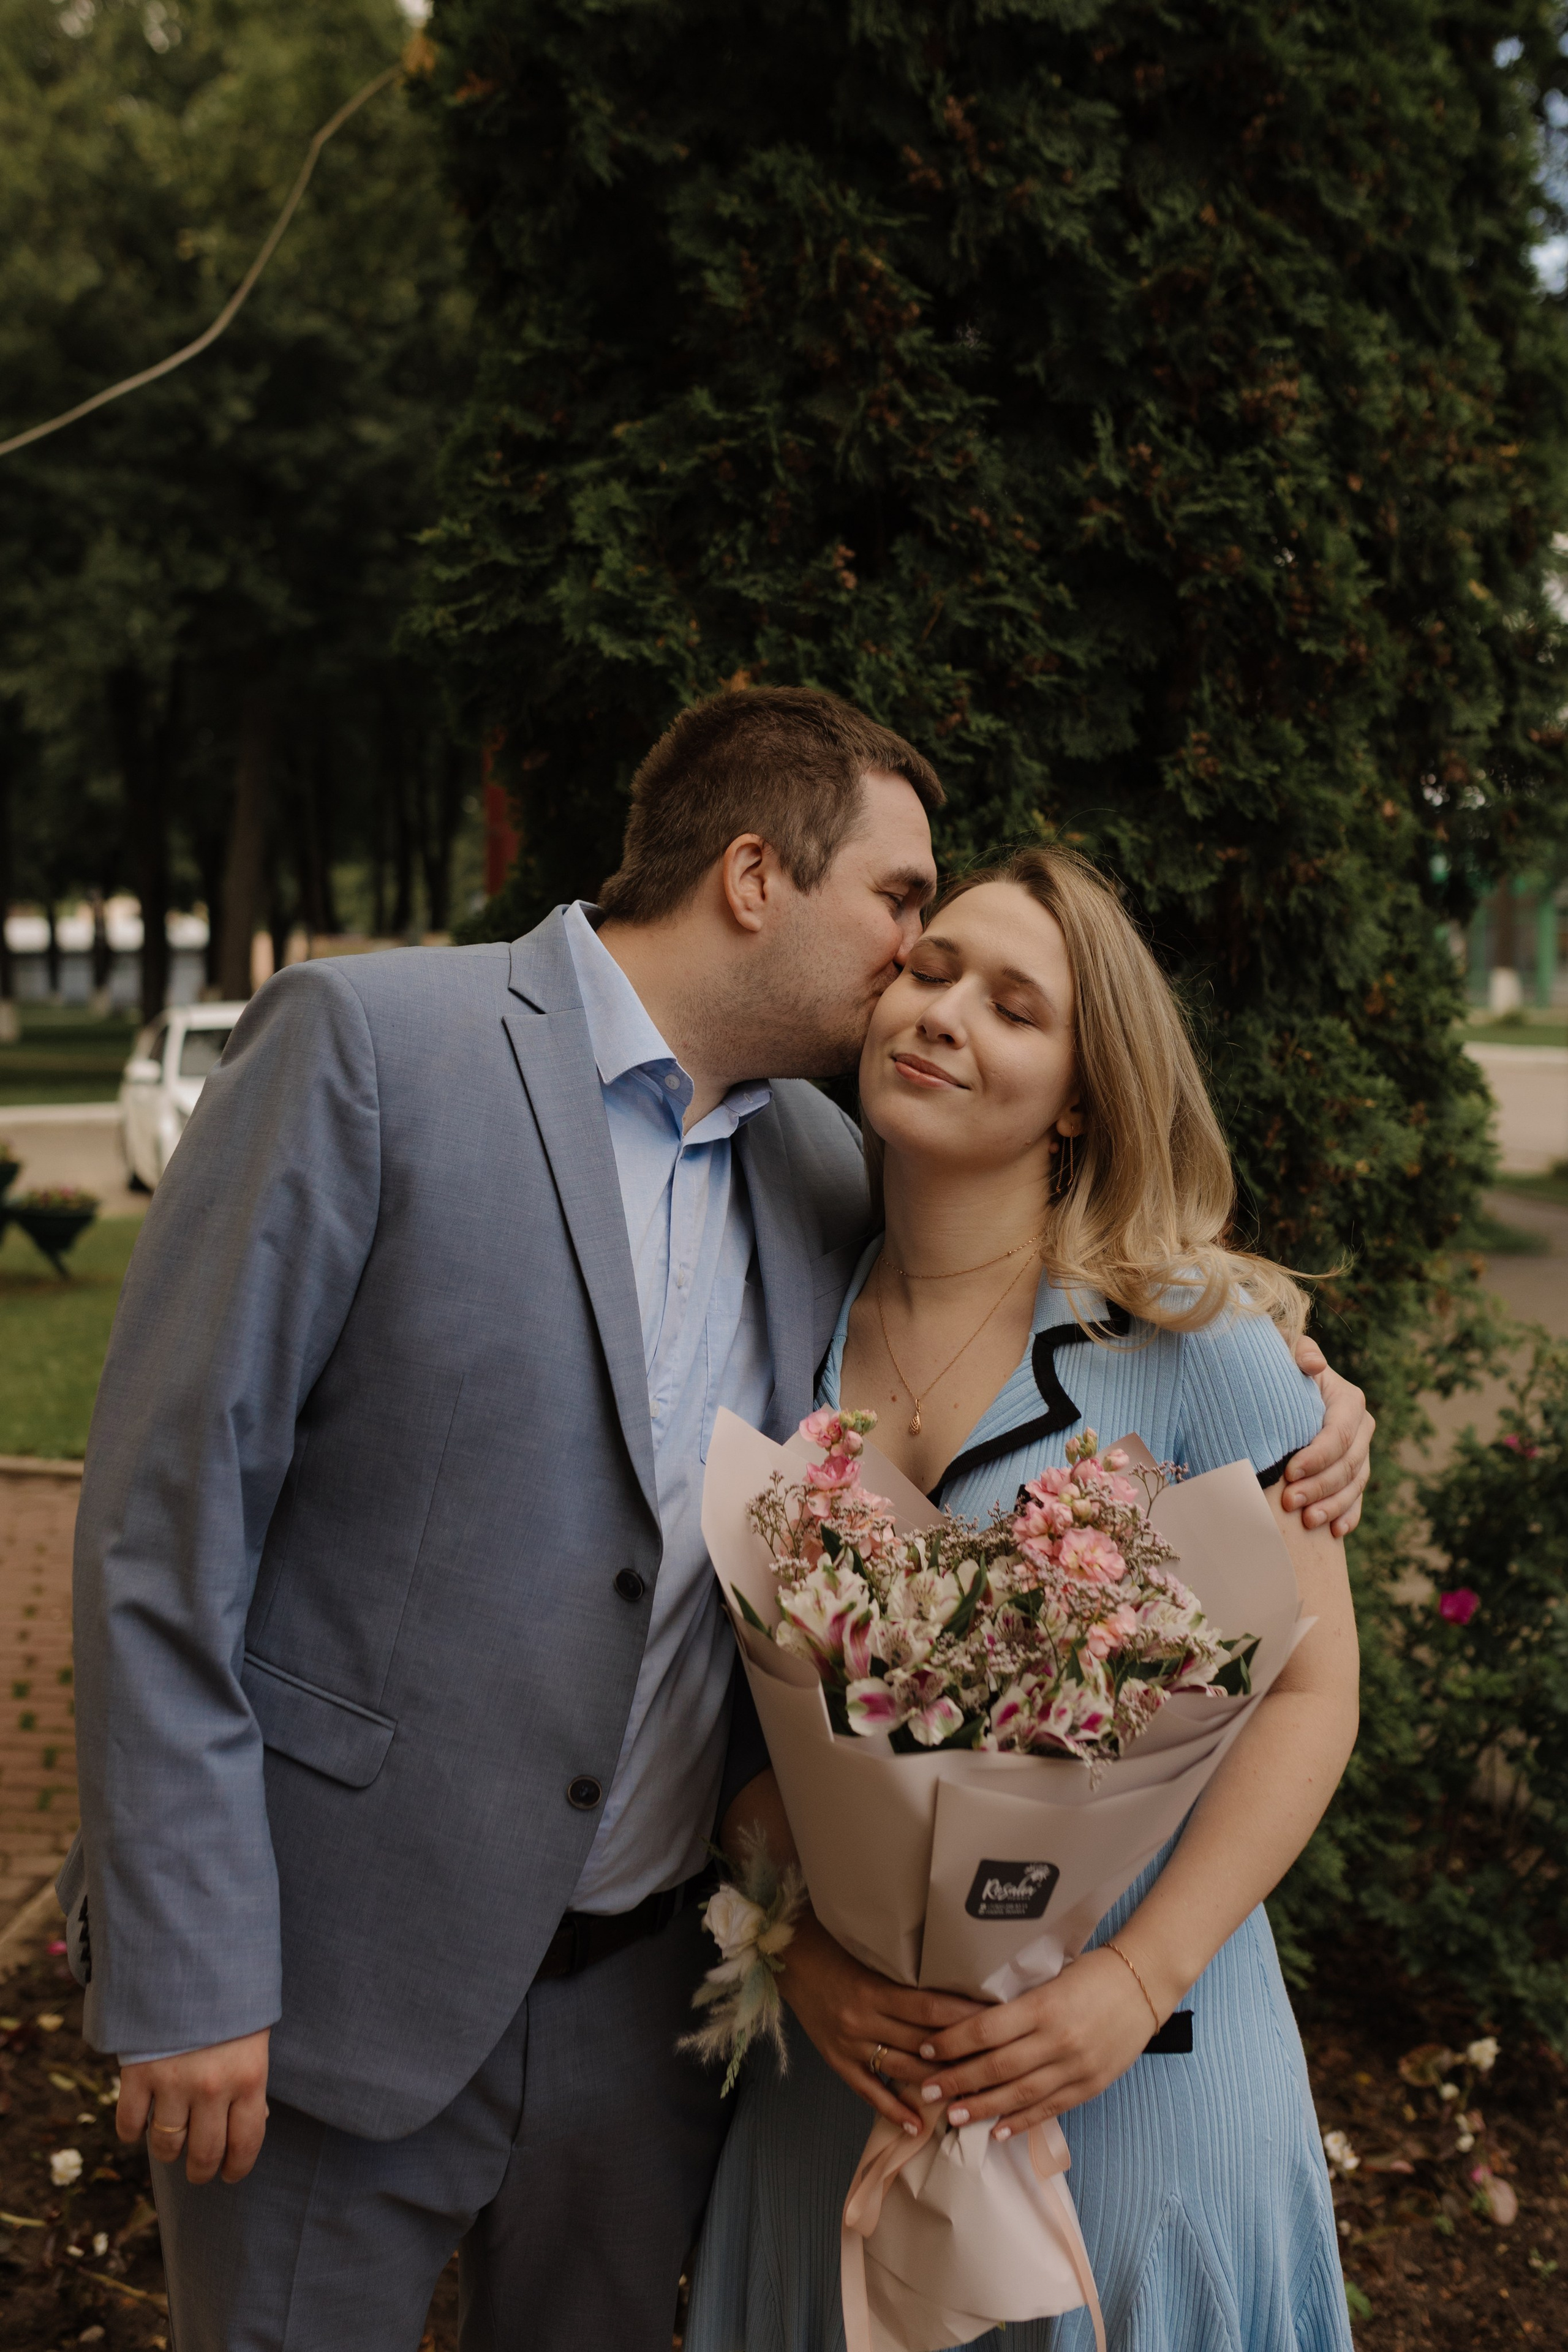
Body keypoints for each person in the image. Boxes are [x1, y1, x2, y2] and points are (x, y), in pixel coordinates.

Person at [62, 690, 1370, 2352]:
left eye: (990, 985)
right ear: (756, 874)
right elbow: (162, 1531)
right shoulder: (376, 1048)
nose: (919, 982)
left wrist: (1309, 1393)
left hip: (653, 2045)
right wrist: (186, 1966)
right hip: (341, 1990)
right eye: (910, 916)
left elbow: (1169, 1457)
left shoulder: (821, 1177)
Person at [687, 846, 1362, 2352]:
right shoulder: (774, 1327)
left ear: (1077, 1093)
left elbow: (1311, 1690)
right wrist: (795, 1953)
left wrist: (1132, 1977)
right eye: (927, 974)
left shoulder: (1191, 1339)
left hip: (1147, 2082)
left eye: (1011, 1005)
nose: (942, 1016)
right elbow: (730, 1726)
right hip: (846, 2089)